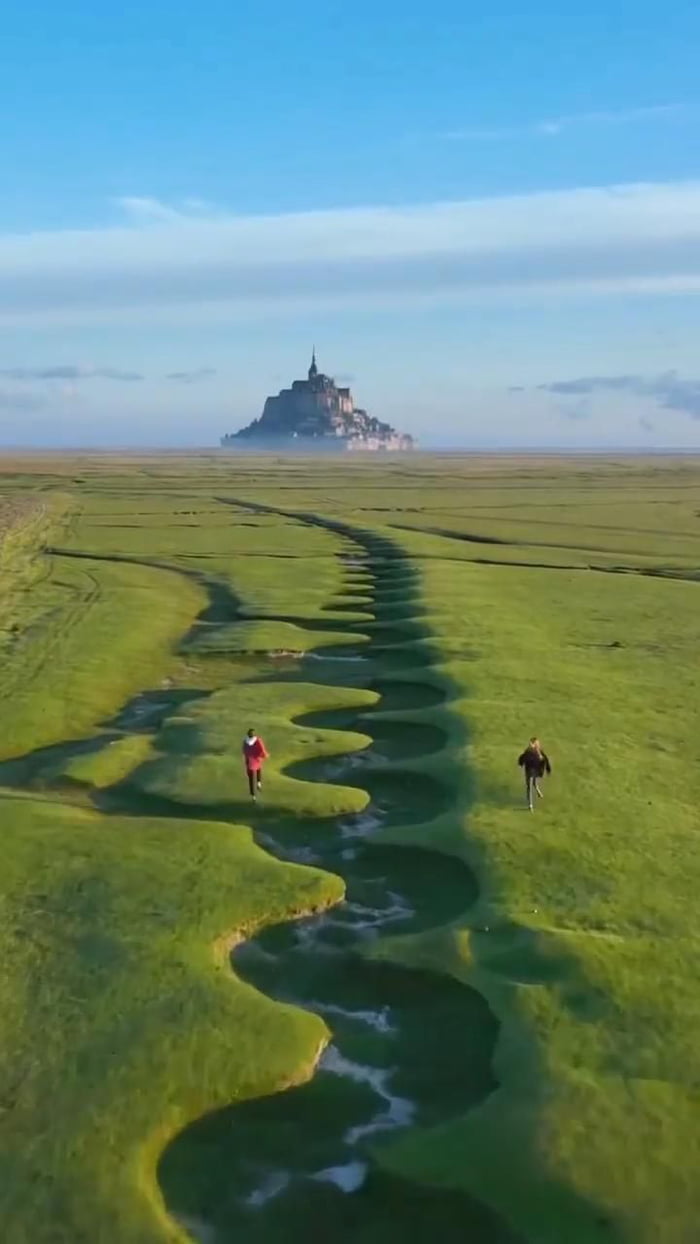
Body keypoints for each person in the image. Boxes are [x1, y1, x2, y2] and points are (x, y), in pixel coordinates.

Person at [517, 737, 551, 811]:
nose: (530, 745)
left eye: (532, 743)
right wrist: (520, 763)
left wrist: (548, 769)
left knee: (533, 783)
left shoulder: (539, 752)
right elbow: (522, 758)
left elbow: (545, 759)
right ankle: (530, 805)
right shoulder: (528, 751)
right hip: (529, 770)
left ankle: (537, 792)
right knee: (529, 787)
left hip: (536, 770)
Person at [243, 728, 269, 800]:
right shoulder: (257, 740)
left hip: (249, 761)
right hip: (257, 760)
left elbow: (244, 751)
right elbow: (262, 749)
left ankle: (253, 795)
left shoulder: (245, 741)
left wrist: (247, 760)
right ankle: (259, 783)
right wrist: (265, 755)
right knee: (258, 769)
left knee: (251, 779)